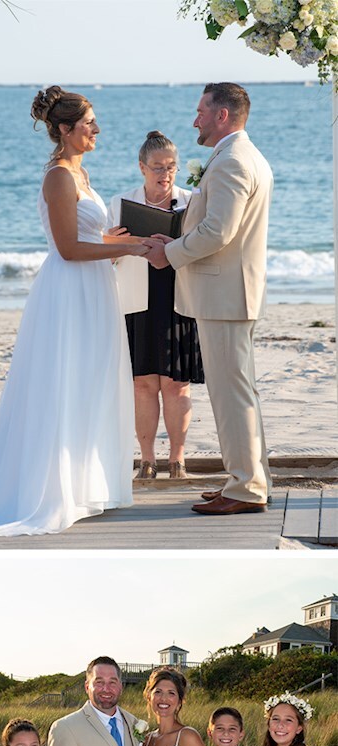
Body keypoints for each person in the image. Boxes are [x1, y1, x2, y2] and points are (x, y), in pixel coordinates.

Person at [0, 86, 147, 538]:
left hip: (94, 289)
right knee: (66, 380)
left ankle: (88, 483)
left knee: (91, 380)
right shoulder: (58, 178)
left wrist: (133, 241)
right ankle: (55, 489)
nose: (97, 129)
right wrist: (129, 245)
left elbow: (92, 240)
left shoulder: (81, 174)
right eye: (89, 123)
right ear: (66, 130)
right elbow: (68, 249)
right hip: (68, 292)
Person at [144, 82, 273, 516]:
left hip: (224, 295)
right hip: (231, 292)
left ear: (222, 115)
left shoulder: (232, 161)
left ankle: (244, 489)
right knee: (241, 392)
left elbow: (220, 231)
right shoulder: (240, 155)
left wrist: (170, 254)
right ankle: (252, 480)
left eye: (201, 110)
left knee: (230, 394)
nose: (194, 118)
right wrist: (176, 235)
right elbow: (215, 224)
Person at [108, 131, 204, 480]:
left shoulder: (192, 201)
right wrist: (115, 244)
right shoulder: (120, 204)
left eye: (171, 167)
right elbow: (104, 255)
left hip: (179, 297)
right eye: (157, 167)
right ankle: (147, 461)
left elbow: (204, 248)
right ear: (142, 168)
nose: (165, 174)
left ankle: (177, 460)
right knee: (143, 384)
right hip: (137, 300)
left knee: (175, 384)